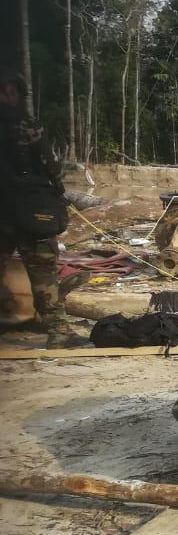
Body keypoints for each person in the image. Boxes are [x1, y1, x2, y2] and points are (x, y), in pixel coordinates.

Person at [0, 69, 76, 346]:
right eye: (4, 93)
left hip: (16, 209)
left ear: (19, 94)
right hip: (29, 209)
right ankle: (58, 331)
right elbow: (50, 165)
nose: (8, 98)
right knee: (43, 272)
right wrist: (58, 191)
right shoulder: (28, 127)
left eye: (12, 93)